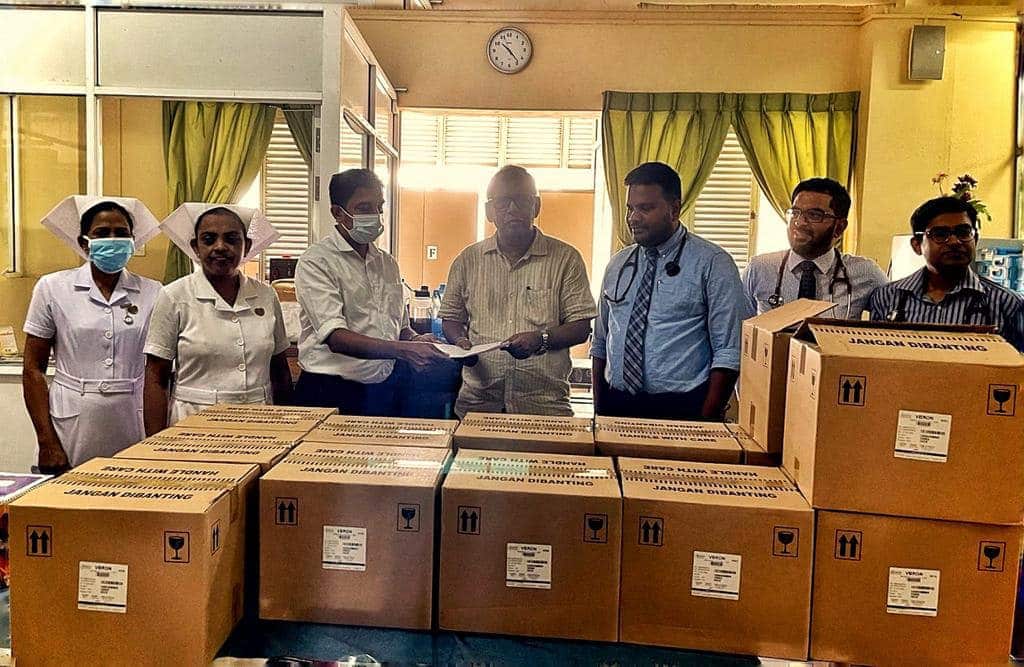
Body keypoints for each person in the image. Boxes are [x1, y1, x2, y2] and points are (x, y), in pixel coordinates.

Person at [592, 162, 752, 421]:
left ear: (674, 209)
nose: (633, 218)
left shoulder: (712, 263)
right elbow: (600, 342)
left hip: (682, 408)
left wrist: (705, 421)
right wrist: (600, 410)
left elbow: (729, 352)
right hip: (617, 404)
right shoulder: (618, 265)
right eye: (630, 208)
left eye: (645, 208)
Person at [440, 165, 597, 417]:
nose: (512, 210)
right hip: (479, 404)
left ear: (536, 206)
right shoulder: (467, 260)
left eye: (521, 201)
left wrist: (541, 340)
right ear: (489, 211)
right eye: (502, 202)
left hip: (544, 408)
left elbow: (581, 327)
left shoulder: (566, 258)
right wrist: (459, 342)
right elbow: (451, 318)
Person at [293, 169, 451, 417]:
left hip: (383, 391)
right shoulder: (317, 262)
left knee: (381, 457)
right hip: (329, 392)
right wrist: (404, 350)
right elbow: (336, 337)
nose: (375, 216)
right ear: (337, 213)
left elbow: (399, 328)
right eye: (364, 208)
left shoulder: (387, 263)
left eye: (379, 207)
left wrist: (416, 340)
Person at [23, 196, 163, 472]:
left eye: (121, 234)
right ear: (84, 242)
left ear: (133, 242)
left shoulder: (154, 292)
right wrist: (46, 441)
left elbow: (162, 371)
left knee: (133, 501)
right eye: (102, 233)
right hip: (72, 420)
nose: (113, 240)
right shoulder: (52, 288)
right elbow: (32, 369)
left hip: (133, 417)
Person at [143, 204, 293, 433]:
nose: (220, 247)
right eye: (209, 239)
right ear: (195, 247)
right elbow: (156, 378)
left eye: (232, 239)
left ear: (248, 246)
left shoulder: (266, 295)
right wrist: (154, 445)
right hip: (193, 423)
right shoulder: (174, 296)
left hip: (261, 422)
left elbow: (280, 369)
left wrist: (289, 430)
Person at [869, 196, 1024, 351]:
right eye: (941, 234)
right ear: (917, 245)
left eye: (963, 232)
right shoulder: (888, 298)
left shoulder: (1007, 304)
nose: (955, 241)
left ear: (975, 239)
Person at [742, 178, 887, 319]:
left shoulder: (865, 273)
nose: (800, 222)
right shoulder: (759, 268)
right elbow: (741, 329)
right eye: (795, 213)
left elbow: (894, 319)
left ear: (839, 227)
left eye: (814, 215)